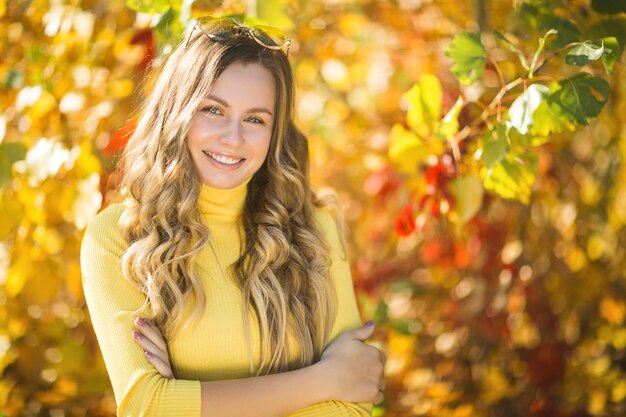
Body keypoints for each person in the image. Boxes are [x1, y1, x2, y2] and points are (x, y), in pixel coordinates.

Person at [81, 15, 385, 417]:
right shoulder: (121, 239)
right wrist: (323, 381)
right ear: (178, 114)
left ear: (275, 133)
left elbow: (353, 405)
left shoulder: (315, 228)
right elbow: (147, 406)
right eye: (213, 110)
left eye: (255, 119)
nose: (233, 137)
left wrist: (191, 399)